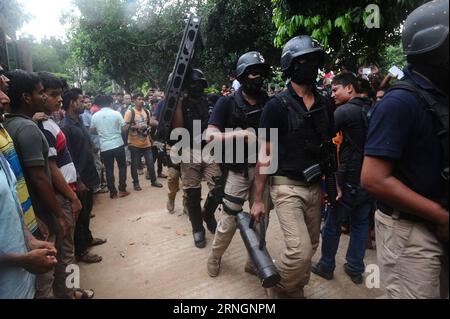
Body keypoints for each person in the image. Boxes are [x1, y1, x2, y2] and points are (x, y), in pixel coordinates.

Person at [361, 0, 449, 299]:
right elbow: (373, 179)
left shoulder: (440, 97)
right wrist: (440, 215)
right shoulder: (400, 103)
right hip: (410, 230)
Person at [251, 35, 336, 299]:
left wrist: (334, 184)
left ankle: (295, 288)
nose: (310, 65)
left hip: (315, 186)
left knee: (310, 246)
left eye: (314, 60)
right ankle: (277, 287)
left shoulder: (325, 103)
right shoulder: (276, 107)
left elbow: (329, 146)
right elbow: (265, 154)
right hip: (286, 186)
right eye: (303, 61)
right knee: (300, 252)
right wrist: (258, 199)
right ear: (291, 66)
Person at [4, 70, 70, 299]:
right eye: (41, 92)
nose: (44, 97)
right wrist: (59, 213)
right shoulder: (29, 128)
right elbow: (40, 176)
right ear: (26, 97)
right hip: (42, 213)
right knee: (50, 273)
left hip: (31, 216)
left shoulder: (12, 125)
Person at [206, 51, 271, 278]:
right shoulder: (227, 102)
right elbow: (210, 135)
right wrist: (241, 134)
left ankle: (253, 261)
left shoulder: (269, 102)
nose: (258, 77)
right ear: (242, 76)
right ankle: (215, 256)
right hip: (237, 172)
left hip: (264, 169)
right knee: (229, 220)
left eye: (261, 73)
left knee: (260, 218)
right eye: (253, 73)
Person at [312, 72, 374, 284]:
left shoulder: (346, 111)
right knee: (360, 224)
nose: (332, 94)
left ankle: (326, 265)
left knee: (332, 224)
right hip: (368, 179)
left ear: (350, 88)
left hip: (347, 180)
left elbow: (323, 133)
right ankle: (355, 268)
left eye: (336, 89)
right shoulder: (371, 108)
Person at [172, 68, 222, 248]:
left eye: (200, 83)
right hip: (188, 149)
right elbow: (177, 128)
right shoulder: (182, 103)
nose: (197, 86)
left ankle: (208, 214)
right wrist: (178, 103)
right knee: (192, 193)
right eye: (194, 83)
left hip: (209, 149)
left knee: (218, 188)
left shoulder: (208, 101)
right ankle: (197, 228)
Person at [61, 88, 106, 264]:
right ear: (72, 103)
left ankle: (88, 239)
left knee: (87, 212)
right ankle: (81, 252)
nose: (84, 101)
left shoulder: (78, 121)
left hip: (89, 174)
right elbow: (68, 157)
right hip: (79, 179)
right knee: (80, 217)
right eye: (80, 99)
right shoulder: (65, 127)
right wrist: (78, 180)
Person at [91, 94, 129, 199]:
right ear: (110, 103)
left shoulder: (95, 115)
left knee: (109, 168)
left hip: (105, 146)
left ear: (99, 104)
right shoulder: (116, 113)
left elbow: (92, 130)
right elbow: (124, 128)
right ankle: (122, 189)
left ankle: (113, 192)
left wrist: (101, 130)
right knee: (122, 166)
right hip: (118, 144)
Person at [123, 92, 162, 190]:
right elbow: (124, 127)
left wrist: (148, 130)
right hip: (134, 143)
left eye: (142, 99)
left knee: (150, 163)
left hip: (146, 142)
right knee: (135, 164)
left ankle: (153, 181)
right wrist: (136, 127)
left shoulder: (147, 112)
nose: (141, 101)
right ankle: (136, 183)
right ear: (134, 101)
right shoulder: (129, 113)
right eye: (139, 99)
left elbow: (149, 124)